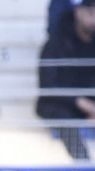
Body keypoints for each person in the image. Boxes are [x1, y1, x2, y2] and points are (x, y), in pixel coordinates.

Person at [36, 0, 95, 160]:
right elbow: (48, 87)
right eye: (90, 12)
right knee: (65, 120)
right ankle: (84, 167)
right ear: (78, 12)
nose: (93, 19)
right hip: (59, 105)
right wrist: (82, 104)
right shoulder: (55, 44)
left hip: (90, 104)